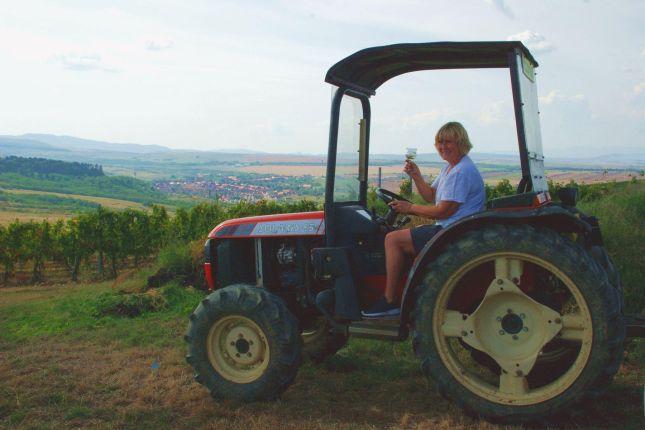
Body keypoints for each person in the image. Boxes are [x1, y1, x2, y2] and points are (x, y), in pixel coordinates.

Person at [362, 121, 485, 318]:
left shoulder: (461, 172)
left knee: (392, 239)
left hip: (452, 232)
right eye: (439, 142)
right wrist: (416, 175)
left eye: (448, 142)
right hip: (452, 227)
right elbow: (430, 196)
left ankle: (390, 300)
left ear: (460, 142)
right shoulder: (451, 168)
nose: (443, 147)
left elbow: (444, 211)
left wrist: (409, 208)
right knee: (397, 238)